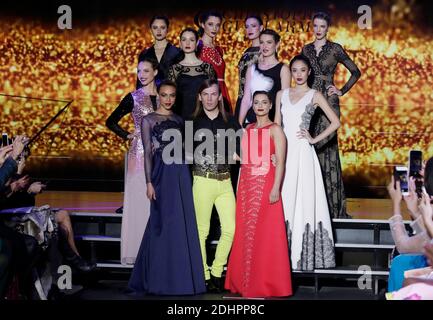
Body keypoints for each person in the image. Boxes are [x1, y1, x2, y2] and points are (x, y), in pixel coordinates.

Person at [128, 80, 206, 295]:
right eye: (164, 95)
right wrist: (149, 182)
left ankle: (180, 277)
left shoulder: (179, 120)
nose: (169, 99)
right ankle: (159, 277)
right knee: (161, 223)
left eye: (172, 95)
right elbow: (147, 156)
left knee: (180, 223)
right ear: (158, 97)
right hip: (161, 174)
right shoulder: (148, 120)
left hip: (181, 173)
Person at [274, 55, 339, 271]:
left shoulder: (315, 95)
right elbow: (275, 126)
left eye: (303, 70)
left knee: (302, 200)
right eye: (295, 70)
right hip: (284, 152)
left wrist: (313, 139)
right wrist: (273, 152)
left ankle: (300, 258)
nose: (299, 74)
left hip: (303, 153)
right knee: (284, 199)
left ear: (309, 72)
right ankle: (279, 257)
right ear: (290, 72)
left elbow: (336, 122)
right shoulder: (281, 95)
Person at [225, 91, 292, 297]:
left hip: (266, 186)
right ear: (252, 106)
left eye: (264, 102)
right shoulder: (247, 128)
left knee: (265, 235)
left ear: (270, 105)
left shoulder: (276, 130)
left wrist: (275, 188)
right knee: (245, 233)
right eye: (256, 102)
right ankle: (244, 282)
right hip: (246, 185)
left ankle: (265, 283)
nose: (260, 106)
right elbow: (244, 158)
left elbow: (280, 161)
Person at [301, 12, 361, 219]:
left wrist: (341, 91)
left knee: (328, 150)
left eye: (322, 26)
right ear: (313, 27)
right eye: (315, 26)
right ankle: (313, 204)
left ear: (328, 28)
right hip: (310, 103)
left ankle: (333, 207)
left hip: (328, 102)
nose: (318, 29)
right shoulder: (306, 49)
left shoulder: (335, 49)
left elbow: (356, 72)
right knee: (310, 149)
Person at [106, 57, 159, 265]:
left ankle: (156, 251)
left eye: (146, 71)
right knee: (140, 204)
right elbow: (110, 121)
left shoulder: (165, 95)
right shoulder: (134, 97)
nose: (142, 75)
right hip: (139, 154)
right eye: (139, 71)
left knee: (157, 203)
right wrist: (128, 135)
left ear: (155, 72)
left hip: (162, 153)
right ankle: (137, 252)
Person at [191, 79, 240, 292]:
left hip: (225, 181)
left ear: (220, 96)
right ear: (200, 97)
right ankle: (204, 274)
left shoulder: (230, 120)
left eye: (214, 94)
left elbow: (243, 149)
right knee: (202, 231)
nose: (210, 98)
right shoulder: (192, 122)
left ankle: (217, 271)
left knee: (231, 228)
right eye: (206, 94)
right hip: (202, 180)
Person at [238, 29, 291, 125]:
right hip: (250, 120)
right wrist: (239, 124)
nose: (264, 46)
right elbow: (246, 99)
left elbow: (284, 102)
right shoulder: (252, 68)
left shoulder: (283, 69)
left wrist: (277, 126)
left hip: (271, 122)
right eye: (262, 42)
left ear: (277, 44)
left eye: (269, 42)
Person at [168, 28, 216, 120]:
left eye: (191, 40)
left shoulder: (207, 68)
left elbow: (214, 94)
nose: (187, 43)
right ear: (180, 43)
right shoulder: (174, 69)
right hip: (183, 117)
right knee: (187, 133)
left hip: (204, 117)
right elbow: (170, 96)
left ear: (197, 43)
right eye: (184, 39)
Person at [195, 11, 232, 112]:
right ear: (202, 24)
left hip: (222, 92)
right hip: (207, 93)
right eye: (210, 24)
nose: (214, 28)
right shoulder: (197, 47)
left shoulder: (219, 50)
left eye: (217, 25)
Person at [137, 15, 181, 88]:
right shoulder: (144, 54)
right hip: (149, 97)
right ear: (151, 29)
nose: (158, 31)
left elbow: (182, 81)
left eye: (162, 27)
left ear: (167, 29)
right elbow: (140, 82)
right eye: (155, 27)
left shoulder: (177, 53)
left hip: (172, 96)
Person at [234, 14, 264, 121]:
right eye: (247, 27)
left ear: (261, 28)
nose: (249, 29)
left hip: (255, 101)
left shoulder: (264, 51)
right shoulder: (246, 51)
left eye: (253, 26)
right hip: (242, 99)